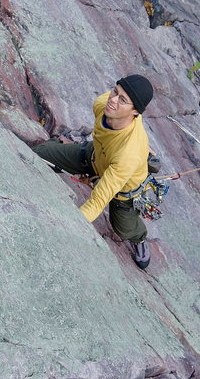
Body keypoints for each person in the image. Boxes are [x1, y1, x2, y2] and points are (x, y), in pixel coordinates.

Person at [32, 74, 155, 270]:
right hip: (95, 156)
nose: (113, 100)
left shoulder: (128, 154)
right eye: (115, 91)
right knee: (39, 154)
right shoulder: (102, 104)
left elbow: (97, 202)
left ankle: (139, 238)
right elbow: (109, 103)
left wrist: (66, 230)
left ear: (135, 112)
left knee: (123, 228)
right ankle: (59, 150)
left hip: (123, 192)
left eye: (123, 100)